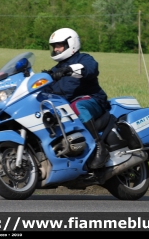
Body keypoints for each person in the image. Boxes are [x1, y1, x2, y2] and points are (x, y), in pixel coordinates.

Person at [43, 28, 110, 169]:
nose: (56, 49)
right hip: (67, 106)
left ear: (71, 44)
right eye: (54, 46)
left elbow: (91, 69)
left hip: (93, 100)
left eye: (59, 45)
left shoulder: (84, 59)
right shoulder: (56, 70)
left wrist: (70, 70)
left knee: (77, 106)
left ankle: (100, 147)